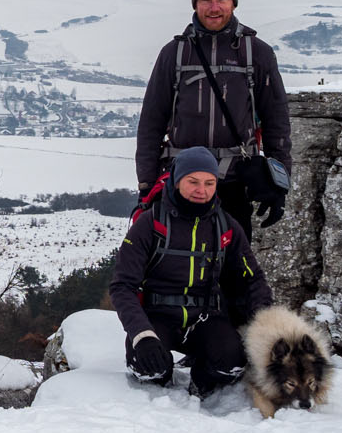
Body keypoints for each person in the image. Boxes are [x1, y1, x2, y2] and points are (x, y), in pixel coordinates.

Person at [135, 0, 292, 245]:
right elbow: (151, 121)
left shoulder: (257, 53)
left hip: (235, 180)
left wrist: (279, 182)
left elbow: (276, 120)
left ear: (233, 2)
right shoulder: (175, 53)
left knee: (233, 270)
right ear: (195, 4)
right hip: (181, 180)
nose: (214, 7)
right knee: (179, 267)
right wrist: (147, 184)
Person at [107, 147, 273, 396]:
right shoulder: (151, 223)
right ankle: (160, 385)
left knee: (233, 363)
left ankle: (202, 381)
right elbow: (122, 286)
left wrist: (265, 325)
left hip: (207, 316)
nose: (202, 190)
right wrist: (142, 334)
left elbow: (253, 280)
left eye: (209, 183)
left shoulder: (226, 226)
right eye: (193, 182)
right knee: (148, 366)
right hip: (158, 317)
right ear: (176, 180)